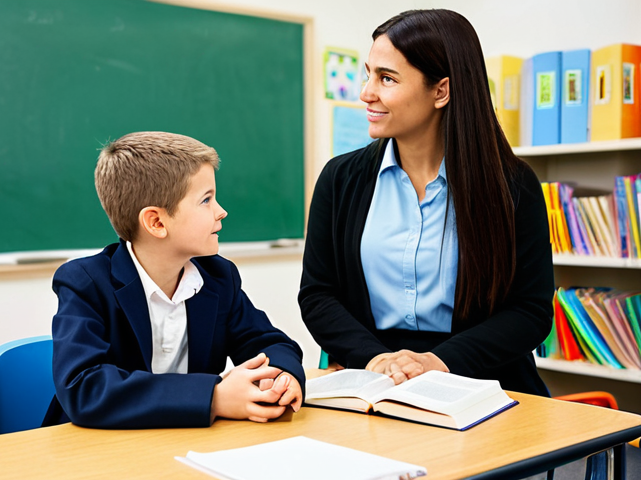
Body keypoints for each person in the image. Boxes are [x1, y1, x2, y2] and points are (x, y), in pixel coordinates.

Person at [299, 9, 554, 396]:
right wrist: (376, 359)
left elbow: (530, 311)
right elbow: (318, 295)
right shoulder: (340, 179)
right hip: (375, 385)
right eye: (368, 74)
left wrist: (438, 362)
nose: (367, 92)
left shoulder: (513, 185)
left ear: (441, 90)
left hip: (484, 387)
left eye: (386, 78)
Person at [43, 131, 304, 429]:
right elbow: (84, 388)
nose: (221, 211)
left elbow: (268, 343)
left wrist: (284, 375)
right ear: (156, 222)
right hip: (98, 451)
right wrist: (214, 397)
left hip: (187, 443)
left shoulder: (218, 277)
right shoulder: (86, 283)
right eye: (206, 200)